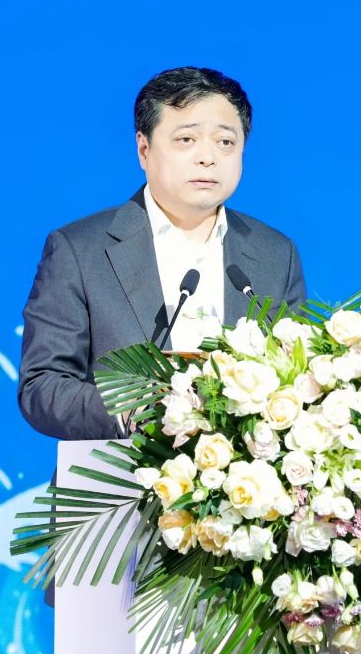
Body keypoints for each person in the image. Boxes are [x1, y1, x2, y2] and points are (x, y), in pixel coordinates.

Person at [18, 66, 307, 441]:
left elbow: (297, 376)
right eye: (186, 139)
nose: (207, 157)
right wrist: (134, 409)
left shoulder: (275, 253)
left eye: (225, 142)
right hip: (119, 474)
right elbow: (42, 387)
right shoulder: (80, 249)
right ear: (144, 149)